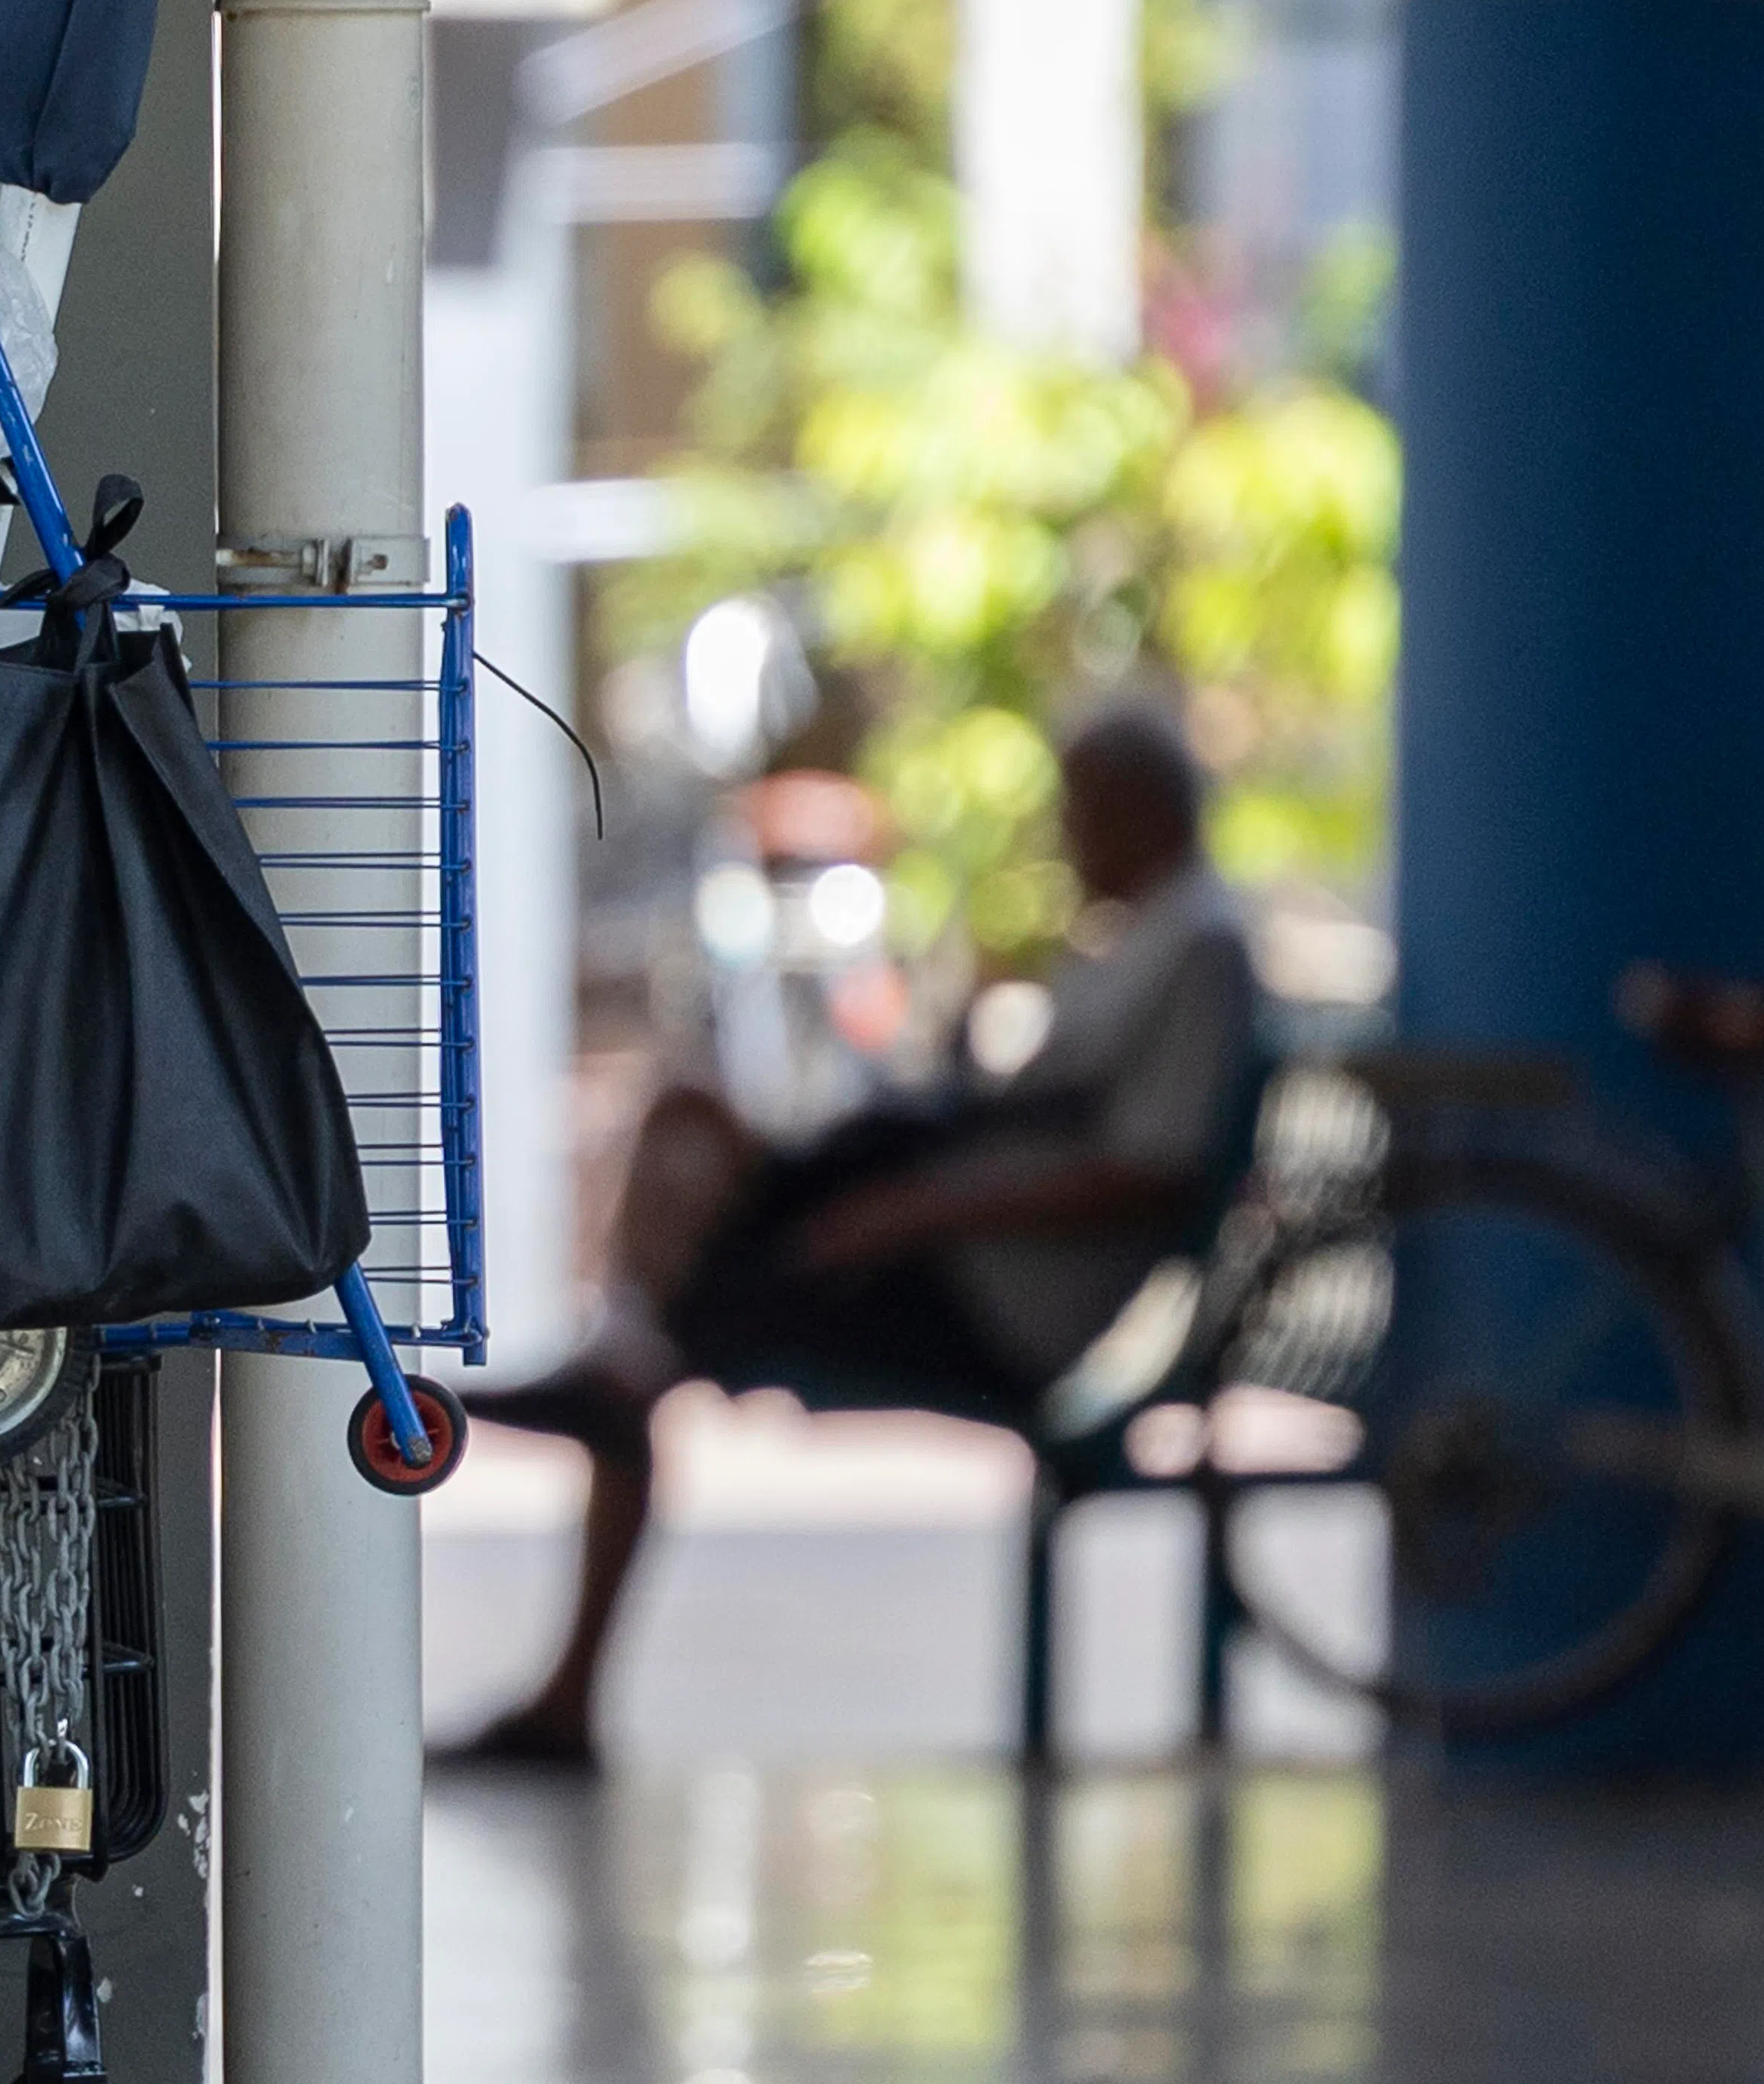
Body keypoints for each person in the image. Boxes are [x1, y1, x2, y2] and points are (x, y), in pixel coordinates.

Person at [454, 705, 1258, 1770]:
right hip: (946, 1241)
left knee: (688, 1308)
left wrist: (912, 1213)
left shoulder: (1196, 948)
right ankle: (630, 1347)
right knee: (691, 1118)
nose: (1068, 841)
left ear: (1139, 811)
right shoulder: (1141, 940)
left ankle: (628, 1369)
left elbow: (1142, 1174)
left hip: (995, 1294)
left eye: (1081, 814)